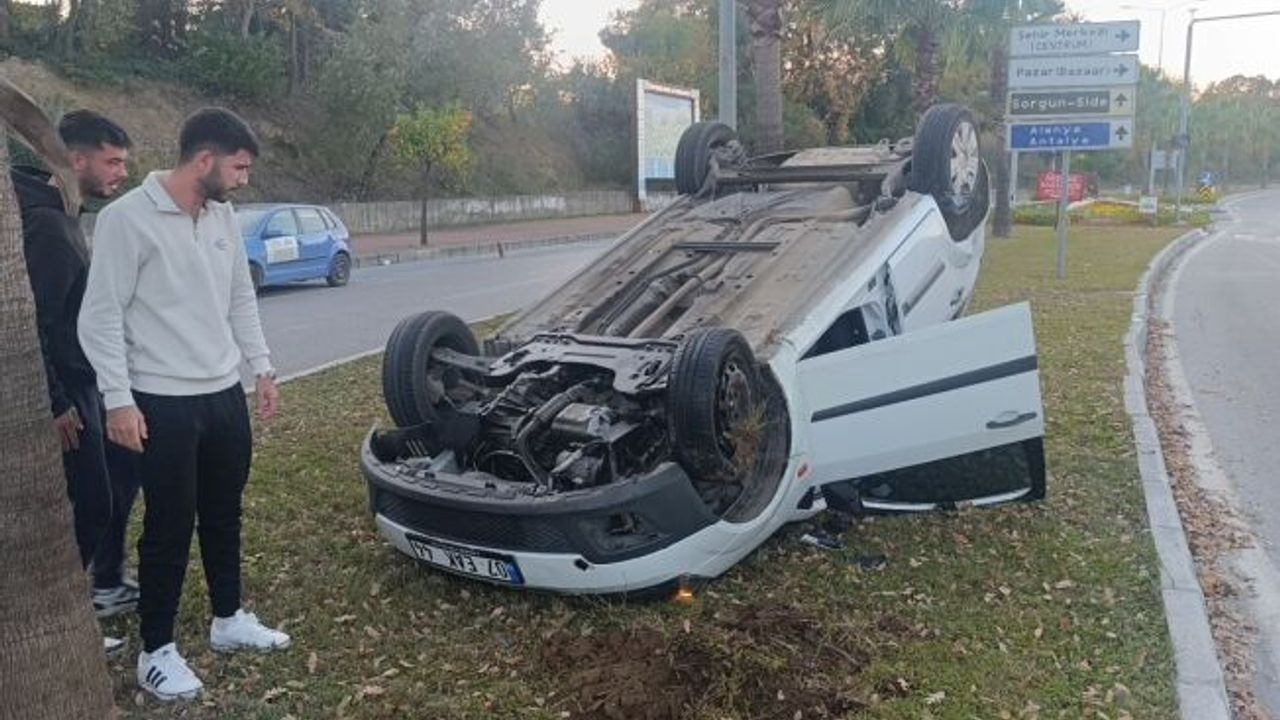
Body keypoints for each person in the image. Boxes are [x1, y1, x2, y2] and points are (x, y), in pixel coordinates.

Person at [79, 107, 289, 702]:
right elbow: (100, 316)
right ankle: (156, 651)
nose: (244, 179)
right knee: (168, 526)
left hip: (223, 395)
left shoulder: (223, 217)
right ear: (204, 160)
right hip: (161, 401)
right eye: (239, 168)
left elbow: (240, 298)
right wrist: (118, 400)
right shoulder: (126, 219)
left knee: (224, 512)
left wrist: (262, 367)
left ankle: (228, 618)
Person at [11, 109, 135, 656]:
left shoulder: (58, 212)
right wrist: (57, 402)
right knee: (90, 506)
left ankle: (77, 605)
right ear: (74, 159)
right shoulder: (47, 225)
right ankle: (57, 619)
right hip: (65, 394)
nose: (122, 173)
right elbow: (32, 320)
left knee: (102, 494)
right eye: (112, 162)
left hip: (81, 384)